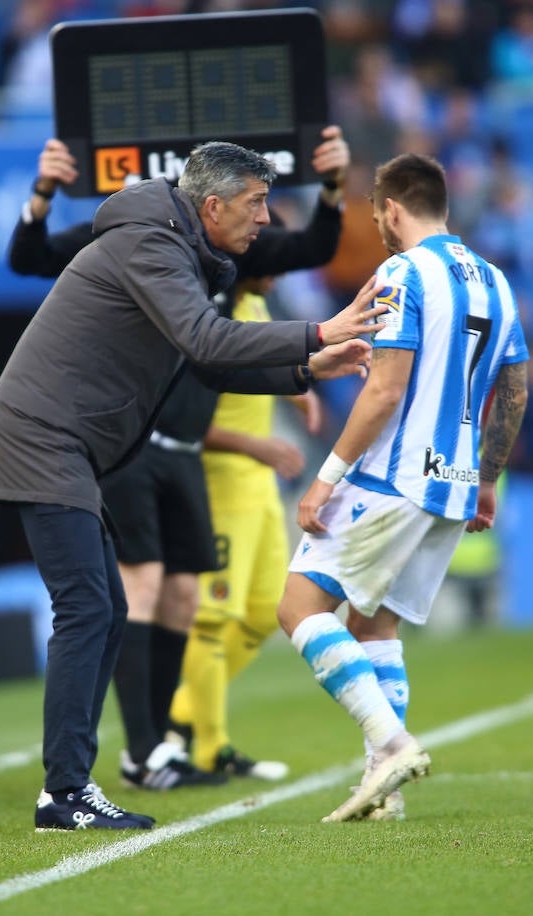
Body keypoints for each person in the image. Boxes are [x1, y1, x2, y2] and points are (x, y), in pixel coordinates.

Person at [0, 139, 386, 831]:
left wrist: (307, 368)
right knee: (88, 608)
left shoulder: (171, 245)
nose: (264, 220)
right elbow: (207, 341)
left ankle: (79, 783)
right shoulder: (151, 243)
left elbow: (208, 366)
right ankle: (65, 794)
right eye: (257, 204)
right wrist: (315, 332)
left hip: (64, 444)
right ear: (213, 205)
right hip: (44, 440)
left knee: (103, 607)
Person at [278, 153, 530, 823]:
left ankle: (390, 745)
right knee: (373, 621)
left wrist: (323, 479)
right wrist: (486, 478)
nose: (380, 230)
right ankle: (382, 790)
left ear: (393, 209)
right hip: (450, 487)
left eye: (377, 216)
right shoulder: (497, 283)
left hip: (392, 478)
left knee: (299, 609)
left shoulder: (401, 272)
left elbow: (387, 387)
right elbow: (515, 389)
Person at [167, 269, 317, 782]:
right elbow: (180, 416)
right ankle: (210, 747)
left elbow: (257, 371)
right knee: (213, 618)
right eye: (272, 259)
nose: (279, 272)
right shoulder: (214, 311)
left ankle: (182, 711)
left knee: (262, 614)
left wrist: (295, 388)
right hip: (224, 482)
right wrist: (260, 445)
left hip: (261, 488)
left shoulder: (256, 303)